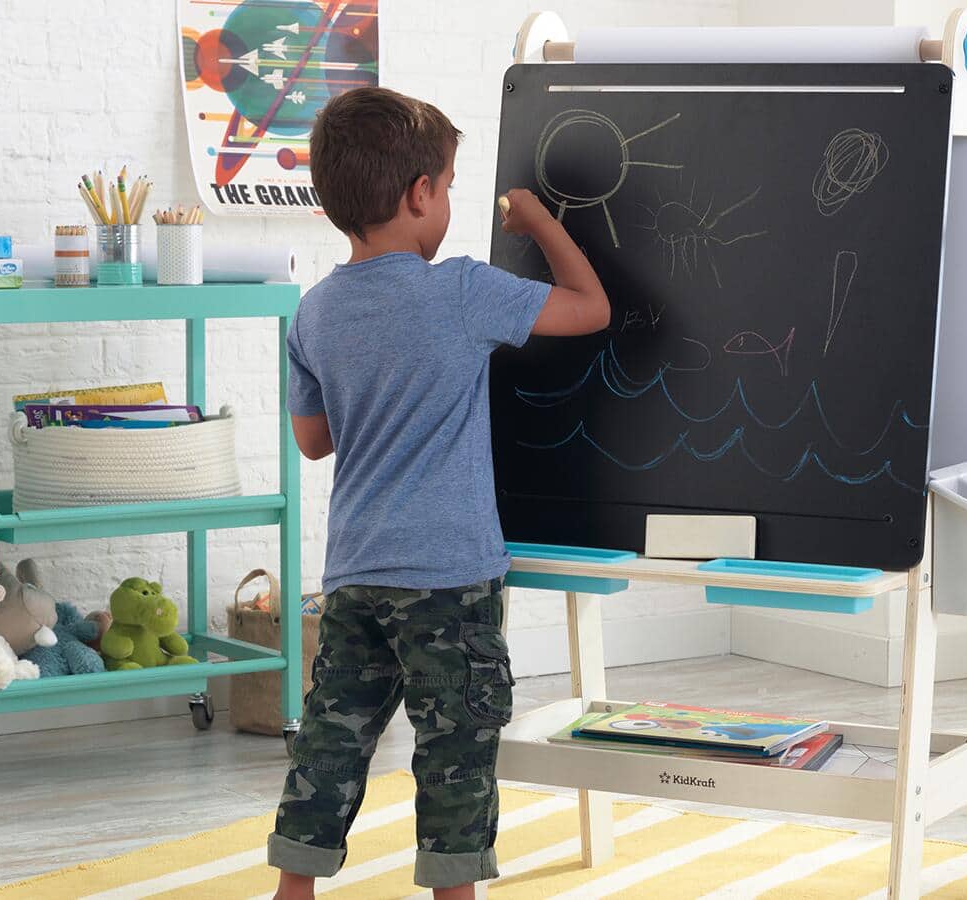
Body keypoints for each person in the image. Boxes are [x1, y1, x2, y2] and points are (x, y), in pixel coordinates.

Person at [267, 86, 609, 900]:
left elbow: (313, 441)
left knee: (332, 740)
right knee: (456, 749)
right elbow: (591, 310)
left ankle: (293, 890)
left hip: (356, 571)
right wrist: (540, 225)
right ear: (420, 193)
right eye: (450, 184)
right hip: (449, 578)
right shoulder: (462, 290)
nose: (451, 199)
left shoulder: (313, 311)